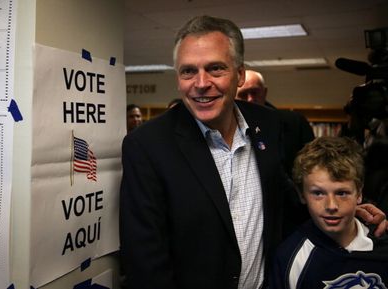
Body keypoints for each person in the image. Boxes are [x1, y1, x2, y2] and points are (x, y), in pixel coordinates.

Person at [120, 15, 387, 289]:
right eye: (188, 71)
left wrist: (348, 214)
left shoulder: (268, 125)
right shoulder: (147, 145)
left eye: (215, 69)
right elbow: (145, 263)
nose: (200, 83)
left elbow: (284, 205)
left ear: (240, 74)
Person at [270, 136, 388, 288]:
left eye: (342, 193)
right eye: (318, 193)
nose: (331, 205)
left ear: (359, 193)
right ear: (302, 195)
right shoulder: (290, 258)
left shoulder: (383, 244)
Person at [236, 70, 315, 177]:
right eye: (243, 94)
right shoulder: (228, 129)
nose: (250, 99)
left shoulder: (294, 123)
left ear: (264, 92)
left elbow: (313, 165)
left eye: (254, 92)